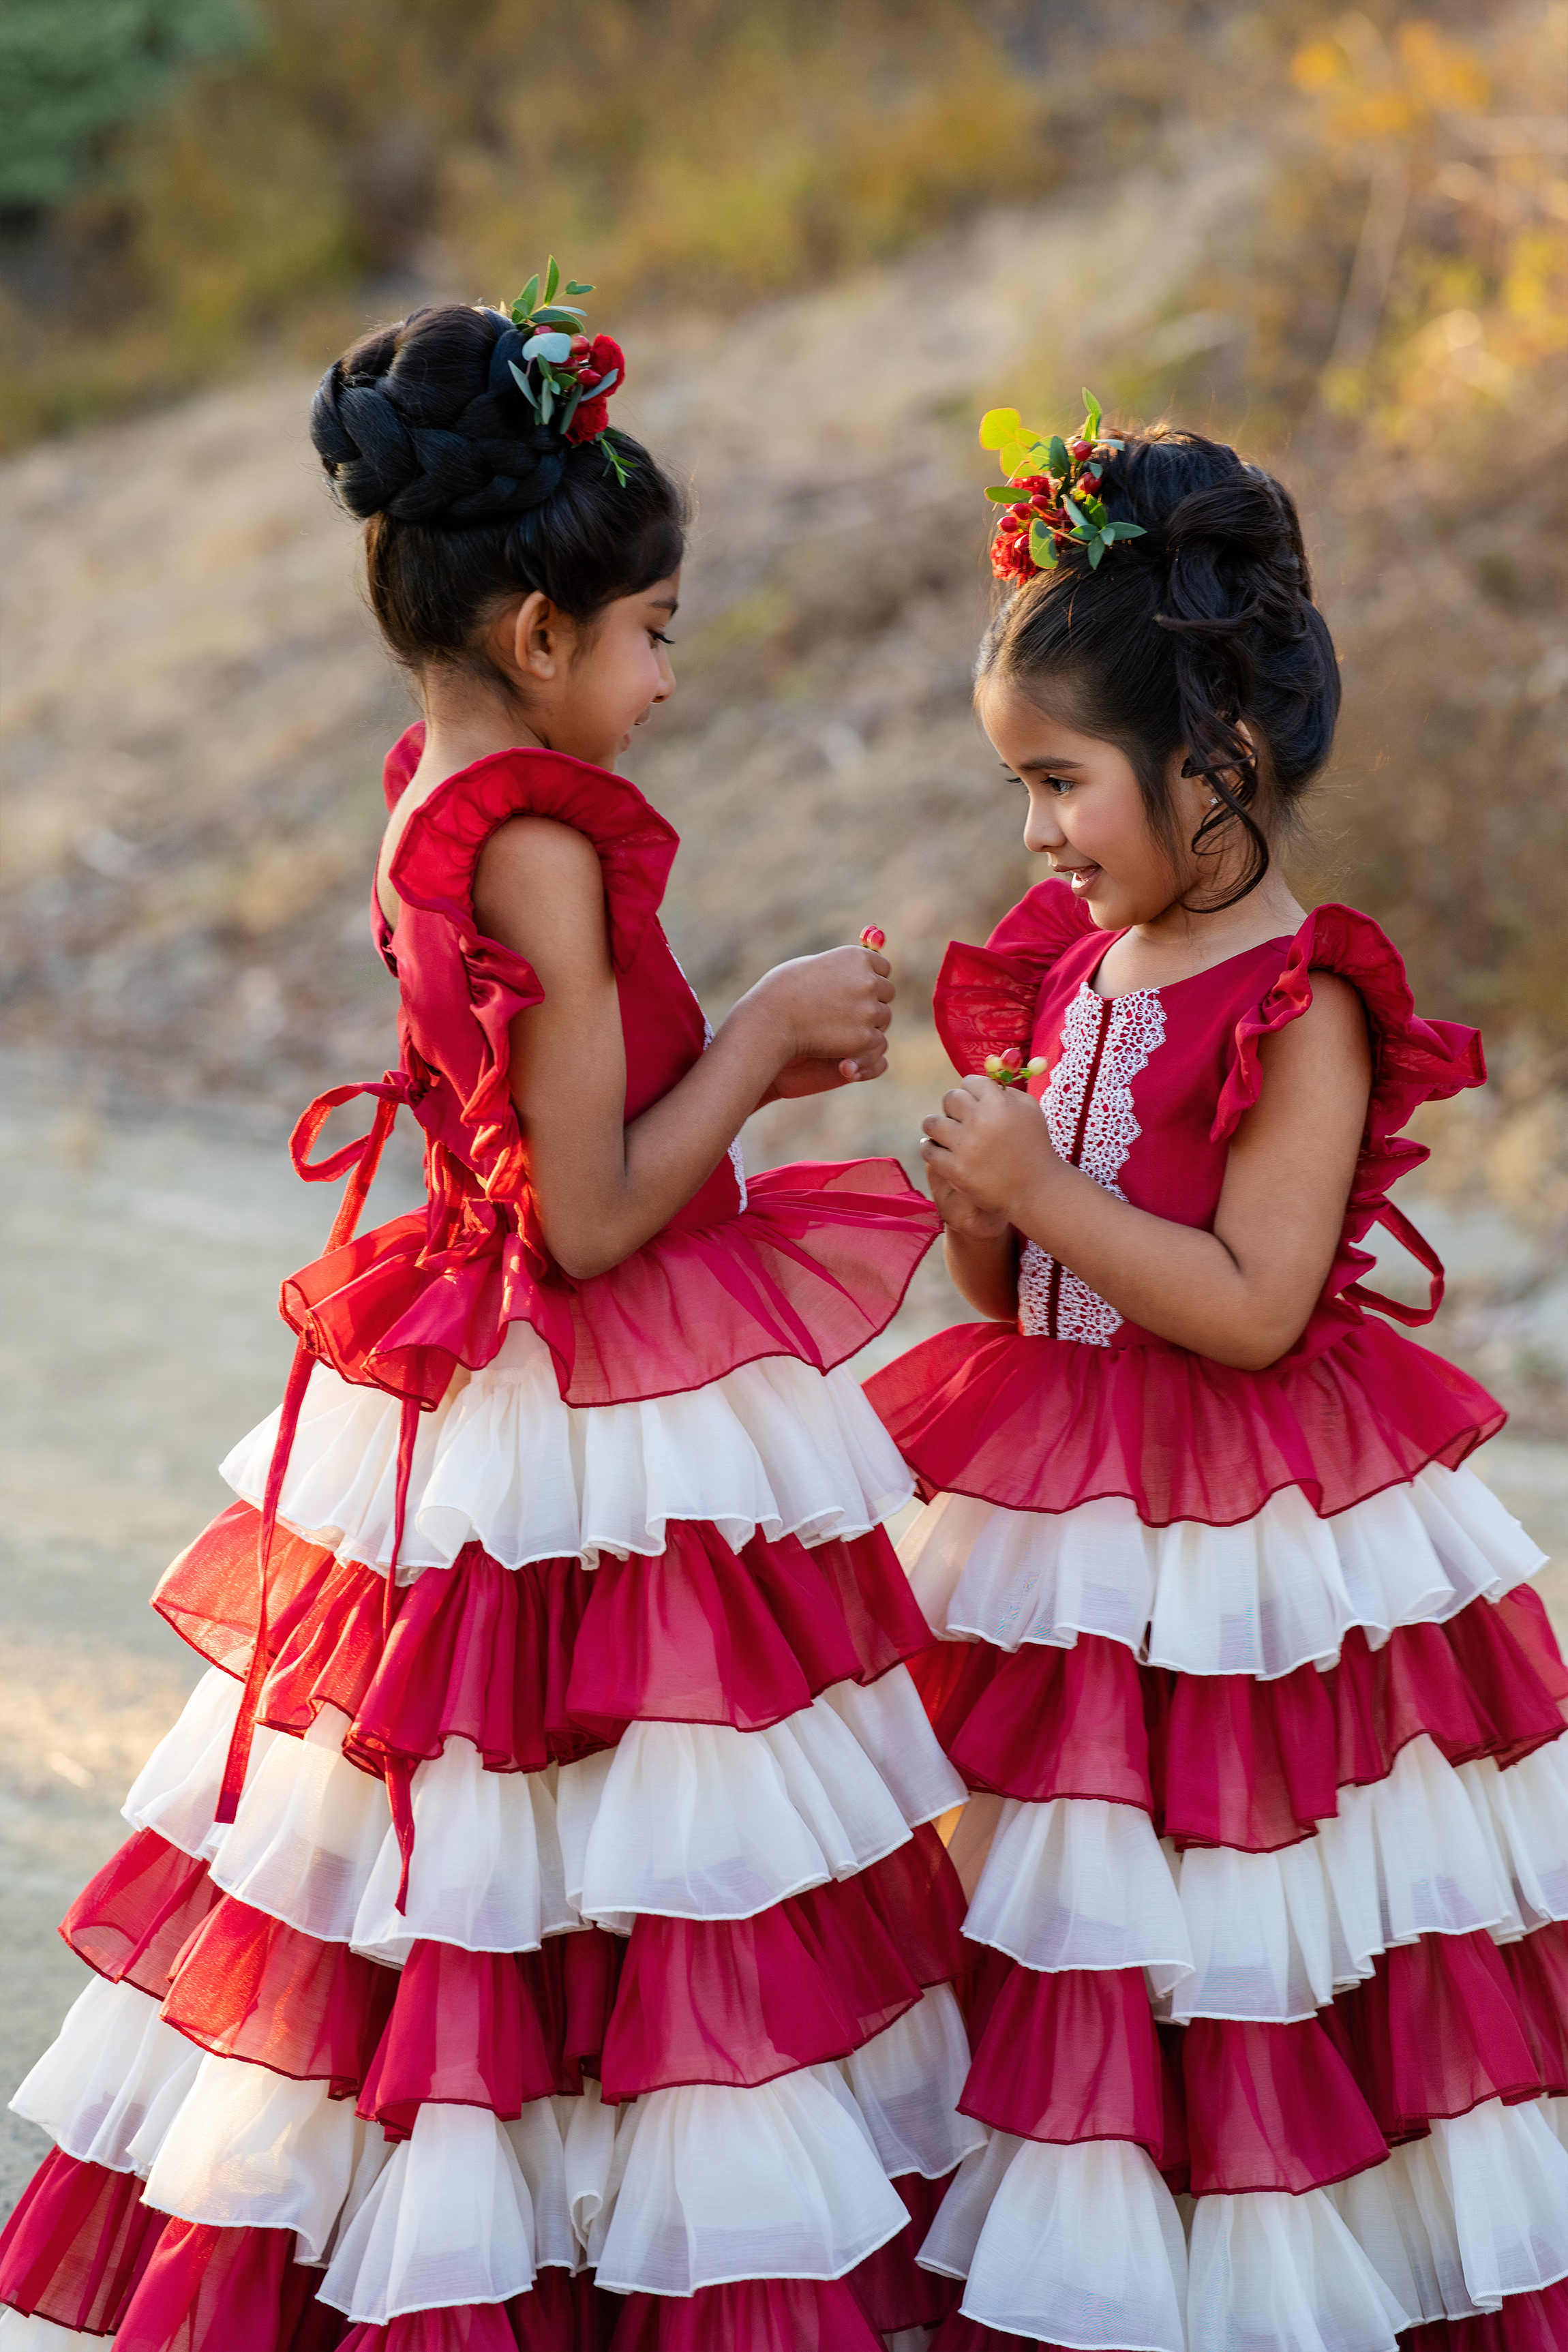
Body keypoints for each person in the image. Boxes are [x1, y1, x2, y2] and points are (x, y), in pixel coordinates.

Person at [0, 283, 981, 2351]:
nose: (664, 671)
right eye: (653, 631)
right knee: (640, 1838)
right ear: (539, 633)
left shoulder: (429, 785)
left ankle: (509, 2234)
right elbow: (603, 1207)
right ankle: (594, 2265)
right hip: (578, 1386)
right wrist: (768, 1034)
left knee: (489, 1845)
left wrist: (720, 1067)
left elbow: (544, 1132)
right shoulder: (532, 835)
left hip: (475, 1378)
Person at [867, 405, 1568, 2352]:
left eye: (1059, 783)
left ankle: (1240, 2272)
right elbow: (1020, 1297)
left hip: (1240, 1538)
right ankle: (1067, 2265)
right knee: (1048, 1897)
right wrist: (984, 1210)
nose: (1033, 834)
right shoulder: (1076, 968)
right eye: (1016, 788)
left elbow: (1257, 1302)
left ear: (1216, 763)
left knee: (1234, 1922)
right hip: (1061, 1507)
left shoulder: (1302, 996)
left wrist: (1042, 1194)